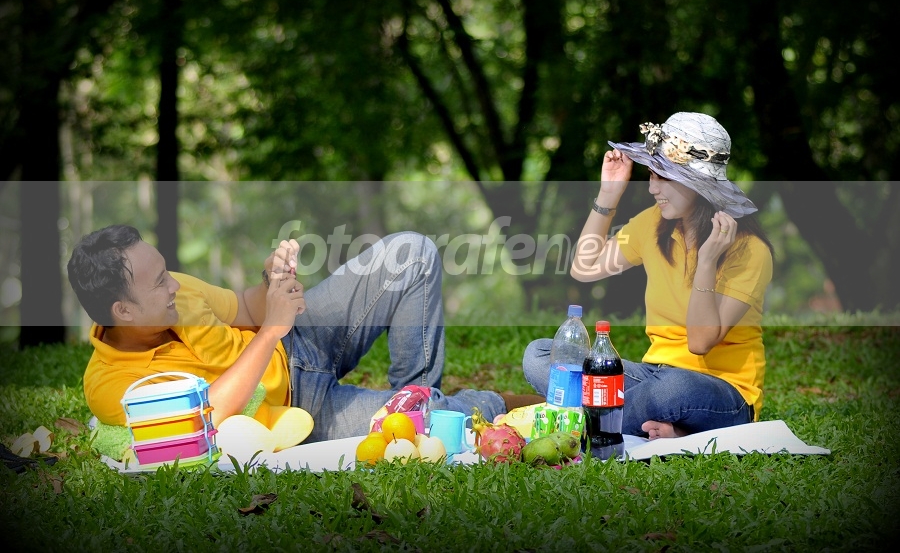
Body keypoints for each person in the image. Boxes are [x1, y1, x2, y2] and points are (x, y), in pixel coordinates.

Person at [67, 225, 543, 443]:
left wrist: (270, 281)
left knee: (412, 253)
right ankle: (443, 415)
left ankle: (414, 407)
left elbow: (248, 307)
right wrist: (271, 330)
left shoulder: (178, 291)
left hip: (300, 340)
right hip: (298, 405)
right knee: (435, 416)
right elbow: (205, 417)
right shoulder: (111, 386)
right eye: (158, 283)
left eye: (167, 273)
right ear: (123, 310)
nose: (173, 285)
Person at [523, 112, 774, 440]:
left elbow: (700, 343)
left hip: (721, 393)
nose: (653, 188)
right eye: (651, 174)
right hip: (652, 376)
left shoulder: (750, 250)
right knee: (541, 354)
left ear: (698, 184)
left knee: (674, 389)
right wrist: (608, 195)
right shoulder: (653, 223)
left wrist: (707, 261)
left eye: (664, 177)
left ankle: (578, 422)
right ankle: (654, 423)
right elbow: (584, 269)